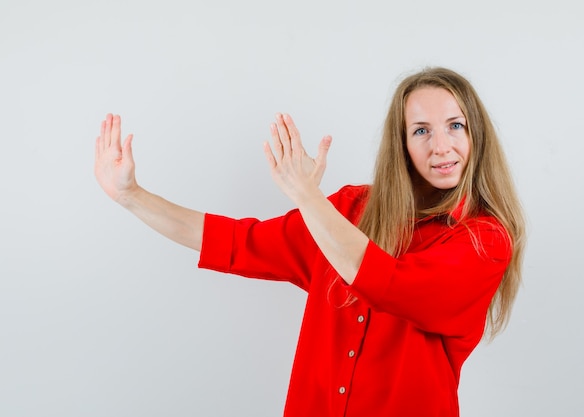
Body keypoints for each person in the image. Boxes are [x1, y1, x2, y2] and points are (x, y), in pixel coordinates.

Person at [94, 67, 525, 417]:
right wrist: (132, 196)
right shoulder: (349, 208)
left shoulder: (486, 240)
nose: (441, 146)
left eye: (455, 125)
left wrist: (307, 195)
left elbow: (387, 282)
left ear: (476, 135)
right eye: (421, 131)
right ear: (402, 144)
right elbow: (238, 243)